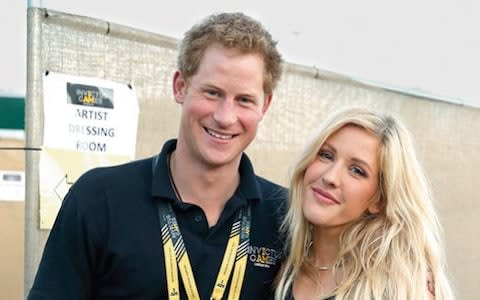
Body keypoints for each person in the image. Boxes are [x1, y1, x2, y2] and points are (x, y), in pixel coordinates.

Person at [29, 12, 287, 300]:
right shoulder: (98, 198)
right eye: (212, 93)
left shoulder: (286, 217)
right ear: (180, 87)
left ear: (265, 105)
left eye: (244, 100)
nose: (225, 117)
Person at [274, 107, 454, 300]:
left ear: (379, 200)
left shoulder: (400, 289)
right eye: (326, 155)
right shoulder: (280, 255)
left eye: (357, 170)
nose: (330, 177)